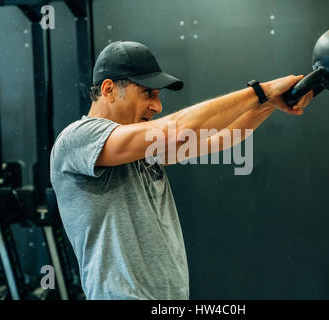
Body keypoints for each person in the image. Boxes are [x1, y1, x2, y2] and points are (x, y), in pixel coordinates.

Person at [49, 41, 313, 300]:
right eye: (147, 93)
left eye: (157, 95)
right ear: (108, 89)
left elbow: (223, 137)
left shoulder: (142, 149)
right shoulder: (79, 139)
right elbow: (177, 128)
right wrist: (261, 91)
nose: (157, 105)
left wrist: (269, 104)